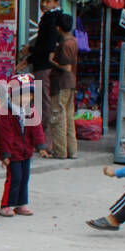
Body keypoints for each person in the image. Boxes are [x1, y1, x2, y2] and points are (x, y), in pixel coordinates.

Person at [0, 73, 44, 217]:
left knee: (25, 177)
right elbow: (5, 135)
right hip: (13, 152)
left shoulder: (30, 109)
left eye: (29, 95)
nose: (25, 99)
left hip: (26, 151)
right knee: (14, 177)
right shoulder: (5, 111)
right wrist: (5, 154)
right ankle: (6, 205)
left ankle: (21, 204)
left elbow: (37, 128)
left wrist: (41, 145)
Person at [26, 0, 61, 159]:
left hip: (44, 67)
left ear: (56, 3)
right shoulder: (52, 18)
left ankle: (43, 142)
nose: (44, 4)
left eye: (48, 1)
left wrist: (30, 54)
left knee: (43, 104)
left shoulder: (50, 20)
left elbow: (45, 46)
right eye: (43, 1)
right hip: (45, 66)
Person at [48, 14, 78, 160]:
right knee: (69, 117)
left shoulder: (65, 44)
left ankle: (60, 151)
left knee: (58, 117)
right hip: (71, 83)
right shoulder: (73, 41)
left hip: (61, 84)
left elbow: (66, 67)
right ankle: (72, 150)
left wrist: (52, 61)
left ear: (58, 27)